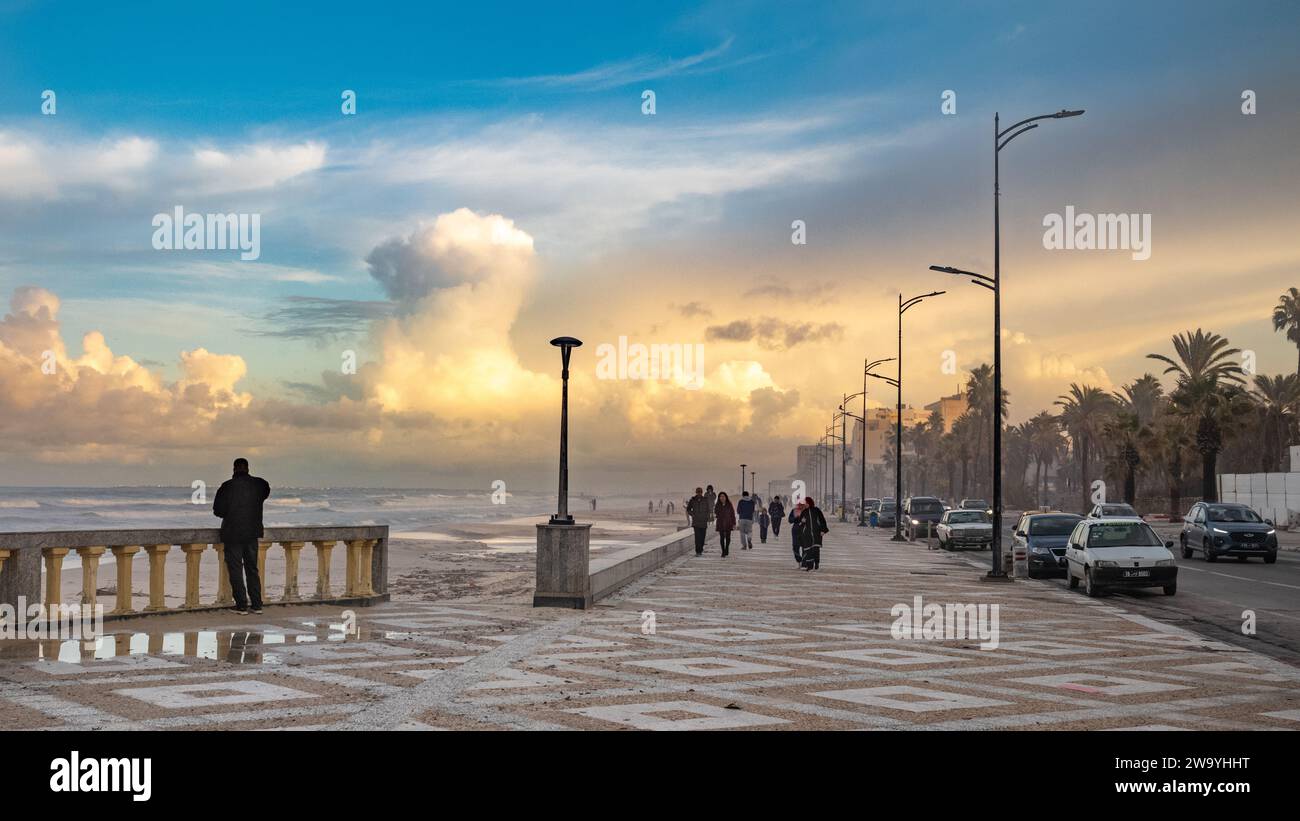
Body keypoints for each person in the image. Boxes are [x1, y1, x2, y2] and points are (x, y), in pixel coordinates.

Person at [212, 457, 271, 615]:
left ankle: (242, 605)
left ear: (234, 469)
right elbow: (265, 493)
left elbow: (218, 511)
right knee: (252, 569)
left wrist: (232, 511)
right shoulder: (260, 484)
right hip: (252, 533)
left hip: (233, 534)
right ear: (248, 468)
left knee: (236, 570)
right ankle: (257, 605)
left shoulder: (227, 487)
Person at [797, 496, 830, 571]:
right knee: (808, 550)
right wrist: (802, 521)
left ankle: (817, 562)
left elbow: (822, 520)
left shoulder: (816, 510)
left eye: (806, 503)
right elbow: (800, 524)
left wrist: (823, 530)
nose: (805, 504)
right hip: (807, 534)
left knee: (815, 549)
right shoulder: (804, 512)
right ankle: (809, 566)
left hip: (816, 533)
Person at [687, 487, 710, 555]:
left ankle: (701, 548)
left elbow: (708, 510)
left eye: (700, 492)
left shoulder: (705, 500)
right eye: (698, 492)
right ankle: (698, 551)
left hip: (703, 522)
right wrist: (693, 514)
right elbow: (688, 509)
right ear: (696, 492)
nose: (699, 493)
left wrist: (707, 517)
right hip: (696, 522)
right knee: (697, 537)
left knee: (702, 537)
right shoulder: (692, 500)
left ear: (702, 492)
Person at [714, 491, 736, 557]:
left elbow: (732, 514)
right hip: (720, 523)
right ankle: (723, 551)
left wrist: (734, 523)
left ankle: (727, 548)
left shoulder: (729, 504)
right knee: (722, 538)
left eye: (723, 496)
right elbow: (716, 513)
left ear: (726, 497)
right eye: (720, 496)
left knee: (728, 538)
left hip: (728, 523)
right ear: (719, 498)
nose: (722, 498)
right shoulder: (717, 505)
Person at [788, 500, 804, 566]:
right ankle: (799, 560)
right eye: (798, 504)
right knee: (795, 547)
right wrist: (795, 518)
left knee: (805, 547)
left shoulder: (806, 511)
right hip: (795, 530)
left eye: (801, 504)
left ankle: (804, 562)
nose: (800, 505)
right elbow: (790, 520)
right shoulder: (794, 510)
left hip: (804, 531)